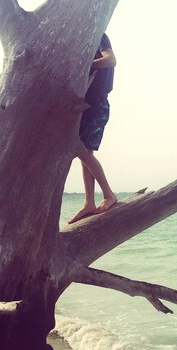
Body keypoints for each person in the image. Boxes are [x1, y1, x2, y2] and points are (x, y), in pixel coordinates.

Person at [69, 33, 118, 224]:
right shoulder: (84, 40)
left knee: (80, 150)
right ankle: (89, 202)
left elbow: (111, 60)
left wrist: (86, 63)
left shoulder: (99, 35)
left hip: (97, 104)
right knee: (84, 155)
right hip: (87, 105)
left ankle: (109, 194)